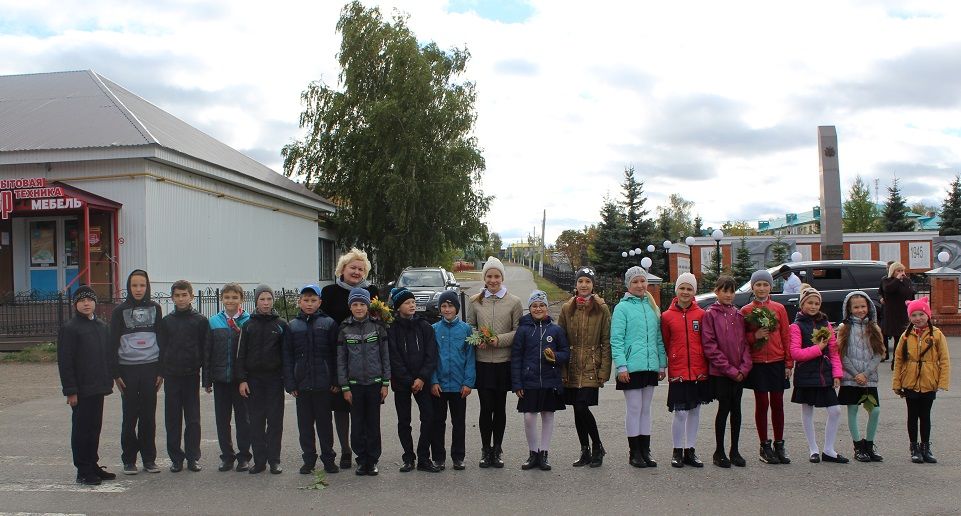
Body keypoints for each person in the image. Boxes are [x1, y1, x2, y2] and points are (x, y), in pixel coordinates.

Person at [320, 248, 380, 469]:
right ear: (342, 269)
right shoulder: (329, 292)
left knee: (366, 410)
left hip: (367, 361)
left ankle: (365, 452)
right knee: (341, 406)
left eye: (360, 268)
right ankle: (346, 449)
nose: (356, 272)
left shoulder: (372, 291)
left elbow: (381, 323)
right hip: (339, 357)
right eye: (352, 267)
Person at [467, 256, 522, 468]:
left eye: (496, 276)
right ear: (484, 278)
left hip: (502, 362)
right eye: (489, 276)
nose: (493, 280)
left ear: (502, 277)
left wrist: (498, 340)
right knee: (485, 407)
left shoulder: (514, 302)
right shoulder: (475, 301)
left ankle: (497, 448)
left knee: (499, 409)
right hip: (482, 363)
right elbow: (470, 325)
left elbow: (518, 332)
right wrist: (478, 339)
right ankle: (485, 449)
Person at [58, 286, 116, 485]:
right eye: (81, 300)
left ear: (94, 303)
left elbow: (107, 357)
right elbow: (65, 362)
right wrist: (70, 391)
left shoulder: (102, 326)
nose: (86, 303)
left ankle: (93, 464)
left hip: (98, 387)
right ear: (75, 304)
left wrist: (108, 381)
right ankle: (82, 470)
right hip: (81, 390)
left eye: (89, 300)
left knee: (94, 428)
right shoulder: (70, 328)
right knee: (81, 430)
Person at [611, 266, 666, 468]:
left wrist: (661, 364)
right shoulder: (622, 308)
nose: (640, 285)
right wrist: (621, 366)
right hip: (631, 367)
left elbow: (658, 339)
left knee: (646, 409)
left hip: (650, 366)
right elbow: (616, 340)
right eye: (635, 282)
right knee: (634, 408)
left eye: (642, 281)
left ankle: (645, 450)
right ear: (628, 285)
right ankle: (634, 452)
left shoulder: (652, 307)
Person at [109, 269, 164, 475]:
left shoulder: (156, 308)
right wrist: (115, 374)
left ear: (147, 286)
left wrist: (161, 371)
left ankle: (149, 459)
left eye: (142, 285)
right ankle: (129, 460)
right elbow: (112, 342)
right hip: (127, 371)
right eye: (134, 285)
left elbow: (162, 340)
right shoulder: (119, 312)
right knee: (130, 417)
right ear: (129, 287)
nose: (138, 289)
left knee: (148, 417)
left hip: (151, 369)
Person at [284, 284, 340, 475]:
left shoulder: (329, 324)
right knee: (305, 426)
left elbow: (335, 355)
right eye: (306, 300)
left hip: (324, 385)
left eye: (313, 300)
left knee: (325, 425)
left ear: (320, 302)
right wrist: (290, 382)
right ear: (299, 302)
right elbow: (288, 357)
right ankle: (308, 459)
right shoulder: (292, 326)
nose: (309, 304)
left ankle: (328, 459)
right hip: (302, 386)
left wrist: (335, 380)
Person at [558, 266, 611, 468]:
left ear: (593, 285)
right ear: (576, 284)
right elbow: (560, 340)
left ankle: (597, 446)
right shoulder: (567, 308)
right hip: (571, 365)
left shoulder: (601, 308)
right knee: (576, 410)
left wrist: (604, 370)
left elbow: (606, 341)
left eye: (587, 281)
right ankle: (585, 450)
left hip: (591, 365)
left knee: (582, 406)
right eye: (580, 281)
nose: (584, 285)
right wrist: (561, 368)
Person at [511, 290, 570, 471]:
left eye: (542, 305)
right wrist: (517, 384)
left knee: (548, 415)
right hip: (529, 380)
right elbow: (516, 357)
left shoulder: (556, 330)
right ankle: (533, 452)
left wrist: (556, 356)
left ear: (546, 308)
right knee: (529, 417)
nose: (538, 308)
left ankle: (544, 453)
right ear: (530, 308)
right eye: (535, 306)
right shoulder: (523, 330)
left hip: (550, 380)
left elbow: (566, 353)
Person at [740, 270, 793, 465]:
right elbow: (742, 339)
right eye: (758, 285)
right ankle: (764, 445)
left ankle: (780, 444)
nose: (761, 288)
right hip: (758, 363)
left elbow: (786, 336)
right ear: (752, 287)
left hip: (778, 362)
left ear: (771, 287)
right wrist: (755, 336)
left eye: (765, 285)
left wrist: (789, 362)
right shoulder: (746, 311)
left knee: (778, 404)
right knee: (762, 404)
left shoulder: (778, 308)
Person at [790, 286, 847, 464]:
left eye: (816, 303)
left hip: (824, 374)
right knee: (807, 411)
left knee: (835, 411)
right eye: (809, 303)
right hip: (806, 374)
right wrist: (817, 349)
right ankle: (813, 449)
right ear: (802, 304)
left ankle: (829, 449)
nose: (813, 306)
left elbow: (834, 351)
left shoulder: (826, 324)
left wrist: (837, 373)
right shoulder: (796, 326)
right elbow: (795, 353)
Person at [337, 287, 391, 476]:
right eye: (355, 304)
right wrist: (345, 386)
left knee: (373, 423)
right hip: (354, 385)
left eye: (362, 304)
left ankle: (373, 460)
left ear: (368, 306)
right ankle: (361, 460)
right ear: (350, 306)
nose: (358, 308)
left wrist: (385, 382)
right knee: (358, 424)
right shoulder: (344, 328)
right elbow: (341, 360)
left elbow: (385, 356)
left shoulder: (377, 327)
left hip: (375, 383)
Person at [660, 272, 711, 468]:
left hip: (698, 370)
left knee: (694, 411)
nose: (685, 292)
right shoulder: (666, 316)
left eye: (689, 289)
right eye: (682, 288)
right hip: (679, 370)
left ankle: (690, 449)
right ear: (676, 290)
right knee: (680, 413)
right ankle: (677, 450)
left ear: (694, 292)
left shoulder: (701, 314)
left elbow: (705, 341)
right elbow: (666, 341)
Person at [157, 280, 208, 473]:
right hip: (172, 376)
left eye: (184, 295)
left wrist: (206, 377)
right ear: (172, 298)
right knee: (173, 418)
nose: (181, 299)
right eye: (177, 295)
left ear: (191, 297)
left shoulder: (200, 321)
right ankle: (176, 458)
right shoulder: (167, 321)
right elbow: (162, 349)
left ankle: (193, 457)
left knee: (193, 419)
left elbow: (205, 349)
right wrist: (161, 373)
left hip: (192, 375)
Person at [236, 285, 288, 474]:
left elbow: (286, 355)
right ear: (256, 301)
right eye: (261, 299)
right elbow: (240, 355)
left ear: (273, 300)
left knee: (275, 421)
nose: (265, 303)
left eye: (268, 299)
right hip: (253, 380)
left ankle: (274, 460)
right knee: (256, 422)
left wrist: (287, 380)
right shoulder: (248, 325)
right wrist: (242, 379)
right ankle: (259, 461)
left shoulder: (281, 325)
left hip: (274, 380)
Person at [387, 287, 440, 473]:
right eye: (407, 303)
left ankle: (424, 457)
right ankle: (408, 457)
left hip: (422, 381)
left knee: (429, 417)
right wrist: (409, 380)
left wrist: (422, 377)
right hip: (402, 382)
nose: (412, 305)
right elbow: (393, 357)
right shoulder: (392, 328)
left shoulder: (424, 326)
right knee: (404, 420)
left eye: (413, 302)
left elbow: (431, 353)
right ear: (398, 307)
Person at [702, 275, 752, 468]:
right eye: (725, 290)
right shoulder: (710, 314)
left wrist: (744, 368)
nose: (729, 295)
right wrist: (730, 370)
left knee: (737, 411)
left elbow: (745, 344)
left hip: (739, 372)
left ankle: (735, 450)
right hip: (721, 373)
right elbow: (710, 346)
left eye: (732, 291)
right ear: (717, 291)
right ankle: (719, 451)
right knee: (723, 410)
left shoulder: (738, 315)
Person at [893, 297, 951, 464]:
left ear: (928, 315)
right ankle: (914, 447)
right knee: (912, 415)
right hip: (909, 380)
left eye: (921, 314)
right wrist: (897, 383)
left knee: (925, 415)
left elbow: (945, 359)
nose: (918, 318)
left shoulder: (937, 335)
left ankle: (925, 446)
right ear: (910, 317)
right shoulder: (905, 336)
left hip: (929, 380)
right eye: (914, 315)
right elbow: (898, 360)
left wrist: (942, 382)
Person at [204, 282, 252, 472]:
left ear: (241, 299)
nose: (230, 301)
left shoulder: (248, 321)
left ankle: (244, 456)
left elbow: (250, 352)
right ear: (221, 299)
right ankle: (227, 456)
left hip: (240, 380)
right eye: (227, 297)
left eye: (234, 297)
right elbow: (208, 351)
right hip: (220, 378)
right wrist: (207, 379)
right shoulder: (214, 321)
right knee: (222, 420)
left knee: (243, 419)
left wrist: (247, 378)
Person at [836, 291, 885, 462]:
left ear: (869, 307)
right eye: (856, 307)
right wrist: (856, 374)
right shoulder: (844, 328)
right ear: (849, 309)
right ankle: (858, 447)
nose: (860, 310)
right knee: (853, 410)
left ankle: (869, 445)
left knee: (875, 411)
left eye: (863, 306)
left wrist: (866, 373)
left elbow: (879, 353)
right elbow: (841, 355)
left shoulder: (875, 327)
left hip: (869, 378)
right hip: (851, 378)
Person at [430, 291, 475, 471]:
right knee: (438, 422)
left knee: (458, 422)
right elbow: (430, 358)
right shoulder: (433, 329)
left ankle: (458, 456)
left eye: (450, 306)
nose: (447, 309)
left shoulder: (466, 329)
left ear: (457, 308)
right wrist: (433, 381)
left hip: (458, 385)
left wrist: (468, 382)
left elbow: (470, 358)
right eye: (443, 306)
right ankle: (438, 457)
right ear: (440, 309)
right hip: (439, 385)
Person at [880, 262, 915, 364]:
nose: (901, 273)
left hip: (904, 312)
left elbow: (911, 293)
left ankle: (899, 359)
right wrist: (896, 280)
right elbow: (888, 289)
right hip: (892, 314)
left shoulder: (907, 281)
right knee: (897, 336)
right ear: (893, 271)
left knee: (903, 337)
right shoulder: (887, 281)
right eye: (898, 271)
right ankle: (896, 360)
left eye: (902, 270)